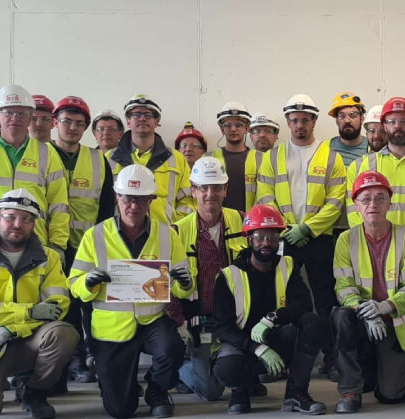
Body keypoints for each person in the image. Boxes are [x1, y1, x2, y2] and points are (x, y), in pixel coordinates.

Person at [68, 164, 192, 419]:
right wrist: (88, 283)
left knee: (172, 348)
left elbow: (182, 288)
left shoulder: (168, 235)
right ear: (117, 197)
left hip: (152, 320)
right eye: (127, 198)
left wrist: (186, 283)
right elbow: (74, 283)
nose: (133, 206)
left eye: (141, 199)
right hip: (110, 328)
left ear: (151, 200)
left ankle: (157, 389)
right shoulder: (95, 236)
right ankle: (115, 382)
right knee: (120, 410)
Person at [0, 189, 78, 419]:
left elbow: (56, 306)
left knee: (63, 334)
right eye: (11, 217)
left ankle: (33, 391)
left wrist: (10, 330)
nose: (18, 224)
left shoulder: (48, 258)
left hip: (27, 343)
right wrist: (28, 312)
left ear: (34, 225)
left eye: (27, 219)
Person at [208, 205, 329, 415]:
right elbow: (223, 328)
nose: (266, 243)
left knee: (313, 323)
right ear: (249, 240)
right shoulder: (229, 276)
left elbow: (302, 305)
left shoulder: (287, 265)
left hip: (278, 337)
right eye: (260, 237)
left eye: (272, 237)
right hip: (242, 345)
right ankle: (240, 392)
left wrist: (272, 318)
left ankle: (295, 395)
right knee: (227, 367)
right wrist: (257, 348)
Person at [330, 171, 405, 413]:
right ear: (355, 205)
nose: (373, 204)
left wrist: (384, 307)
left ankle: (387, 370)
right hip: (363, 319)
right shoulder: (345, 239)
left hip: (395, 321)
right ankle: (350, 389)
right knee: (341, 316)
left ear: (390, 203)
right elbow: (343, 286)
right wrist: (369, 313)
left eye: (380, 198)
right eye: (366, 199)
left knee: (391, 396)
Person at [255, 94, 350, 319]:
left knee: (326, 297)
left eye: (305, 120)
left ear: (314, 121)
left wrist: (306, 228)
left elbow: (335, 202)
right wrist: (286, 229)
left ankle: (331, 352)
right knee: (285, 295)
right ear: (288, 121)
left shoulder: (331, 157)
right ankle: (293, 347)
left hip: (319, 238)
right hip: (283, 238)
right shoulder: (272, 157)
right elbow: (265, 197)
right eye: (295, 120)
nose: (300, 125)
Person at [0, 84, 69, 254]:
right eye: (8, 112)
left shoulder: (47, 154)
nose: (15, 118)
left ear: (30, 116)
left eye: (22, 113)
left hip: (35, 244)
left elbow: (59, 204)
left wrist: (57, 245)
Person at [171, 157, 248, 401]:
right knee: (211, 392)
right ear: (193, 191)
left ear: (225, 190)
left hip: (235, 319)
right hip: (198, 322)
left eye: (216, 187)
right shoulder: (177, 231)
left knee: (241, 374)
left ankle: (240, 374)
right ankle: (180, 370)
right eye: (203, 188)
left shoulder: (243, 221)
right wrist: (179, 323)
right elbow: (168, 287)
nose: (209, 194)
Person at [51, 96, 116, 384]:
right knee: (60, 304)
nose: (73, 128)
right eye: (67, 121)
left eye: (79, 124)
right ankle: (64, 361)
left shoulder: (96, 158)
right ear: (56, 123)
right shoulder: (42, 155)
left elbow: (105, 203)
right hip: (50, 245)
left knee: (89, 303)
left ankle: (88, 357)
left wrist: (100, 243)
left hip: (86, 245)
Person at [346, 97, 405, 247]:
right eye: (392, 121)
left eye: (403, 121)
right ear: (384, 125)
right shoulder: (367, 163)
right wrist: (368, 235)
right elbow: (354, 206)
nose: (397, 126)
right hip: (372, 246)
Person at [107, 94, 194, 224]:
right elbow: (102, 201)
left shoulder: (177, 159)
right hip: (119, 237)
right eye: (136, 114)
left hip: (166, 234)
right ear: (128, 121)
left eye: (148, 115)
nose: (142, 118)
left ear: (156, 122)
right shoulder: (109, 158)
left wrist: (178, 226)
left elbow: (189, 198)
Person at [210, 102, 256, 212]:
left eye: (238, 125)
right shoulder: (208, 159)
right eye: (228, 125)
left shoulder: (261, 159)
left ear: (246, 128)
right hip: (218, 224)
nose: (233, 129)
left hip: (251, 224)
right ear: (222, 129)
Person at [328, 92, 370, 165]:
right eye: (342, 116)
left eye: (353, 115)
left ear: (362, 119)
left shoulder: (373, 149)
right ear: (337, 121)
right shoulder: (324, 148)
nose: (347, 120)